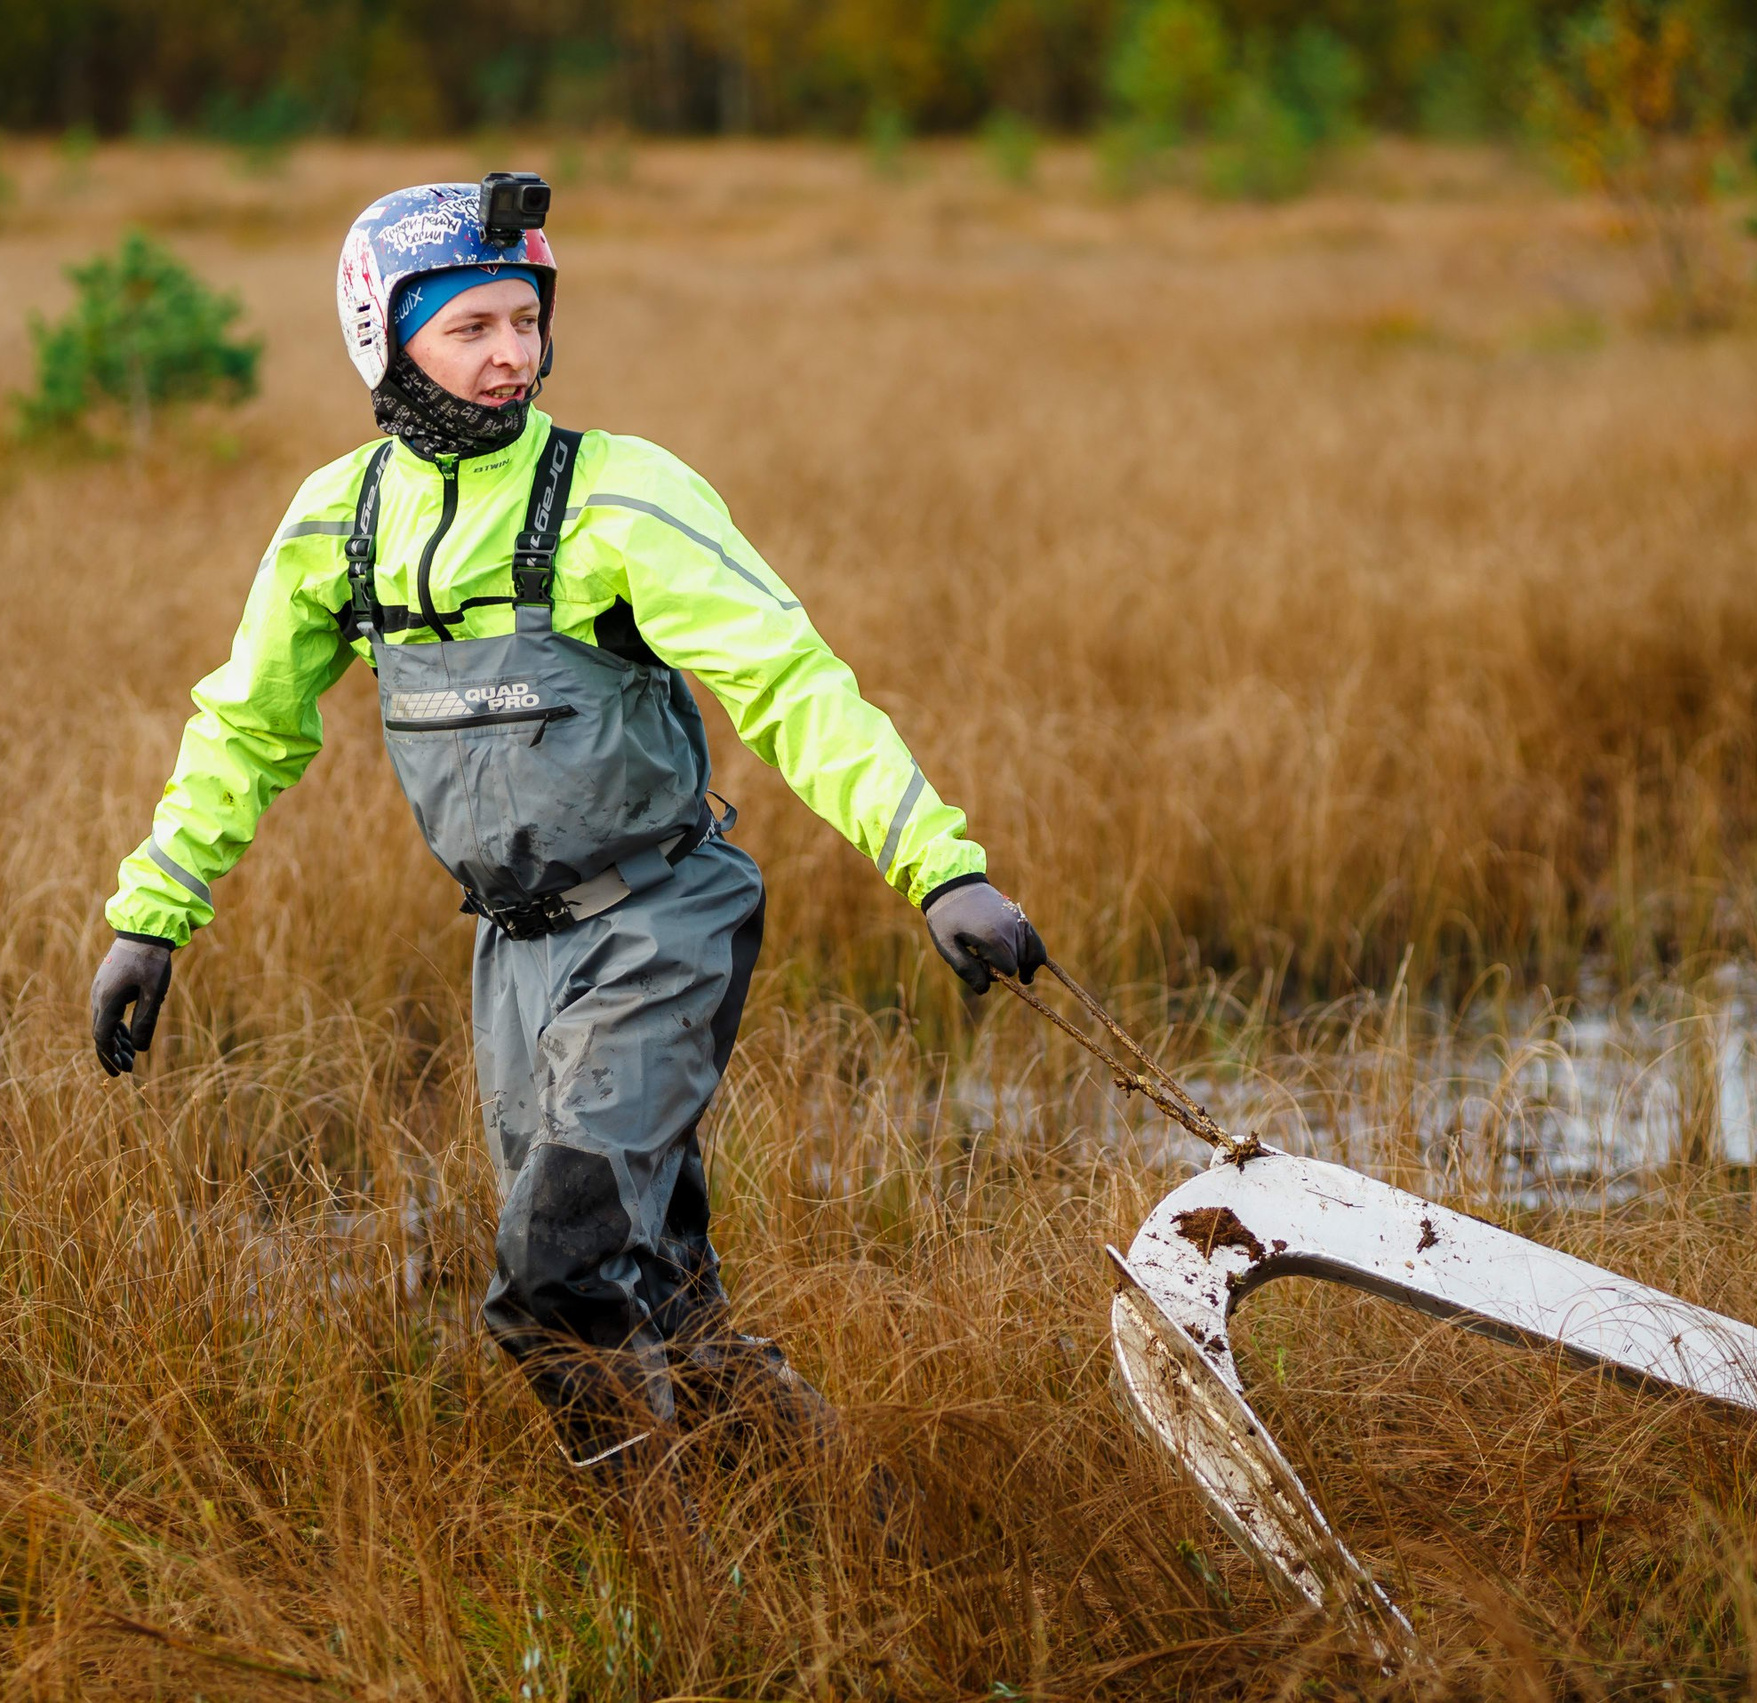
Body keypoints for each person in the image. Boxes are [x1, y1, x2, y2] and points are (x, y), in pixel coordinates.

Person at [89, 178, 1045, 1483]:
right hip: (515, 963)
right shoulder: (337, 526)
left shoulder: (621, 497)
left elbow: (793, 686)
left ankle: (665, 1580)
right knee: (656, 1290)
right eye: (470, 327)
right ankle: (849, 1521)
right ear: (383, 339)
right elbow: (245, 729)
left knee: (552, 1284)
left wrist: (944, 874)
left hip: (663, 926)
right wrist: (153, 918)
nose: (510, 356)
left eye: (525, 321)